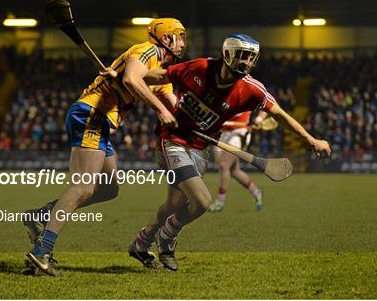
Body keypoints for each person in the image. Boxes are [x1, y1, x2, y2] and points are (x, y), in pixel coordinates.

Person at [127, 33, 331, 271]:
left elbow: (280, 115)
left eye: (251, 57)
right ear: (227, 53)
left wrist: (311, 140)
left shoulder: (251, 89)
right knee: (202, 201)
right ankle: (167, 238)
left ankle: (141, 243)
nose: (246, 62)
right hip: (172, 140)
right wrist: (132, 77)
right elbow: (161, 76)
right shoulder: (200, 67)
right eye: (242, 55)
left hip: (200, 147)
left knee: (175, 202)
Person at [24, 18, 186, 276]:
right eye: (179, 36)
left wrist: (194, 120)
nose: (182, 43)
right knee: (83, 187)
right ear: (166, 38)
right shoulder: (146, 50)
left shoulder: (163, 73)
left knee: (109, 189)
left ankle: (42, 216)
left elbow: (172, 104)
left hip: (101, 122)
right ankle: (42, 252)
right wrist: (157, 108)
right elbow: (134, 80)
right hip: (91, 113)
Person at [208, 110, 267, 212]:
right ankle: (256, 192)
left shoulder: (248, 94)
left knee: (223, 165)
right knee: (234, 171)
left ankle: (220, 202)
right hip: (221, 132)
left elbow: (266, 105)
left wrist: (259, 119)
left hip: (239, 132)